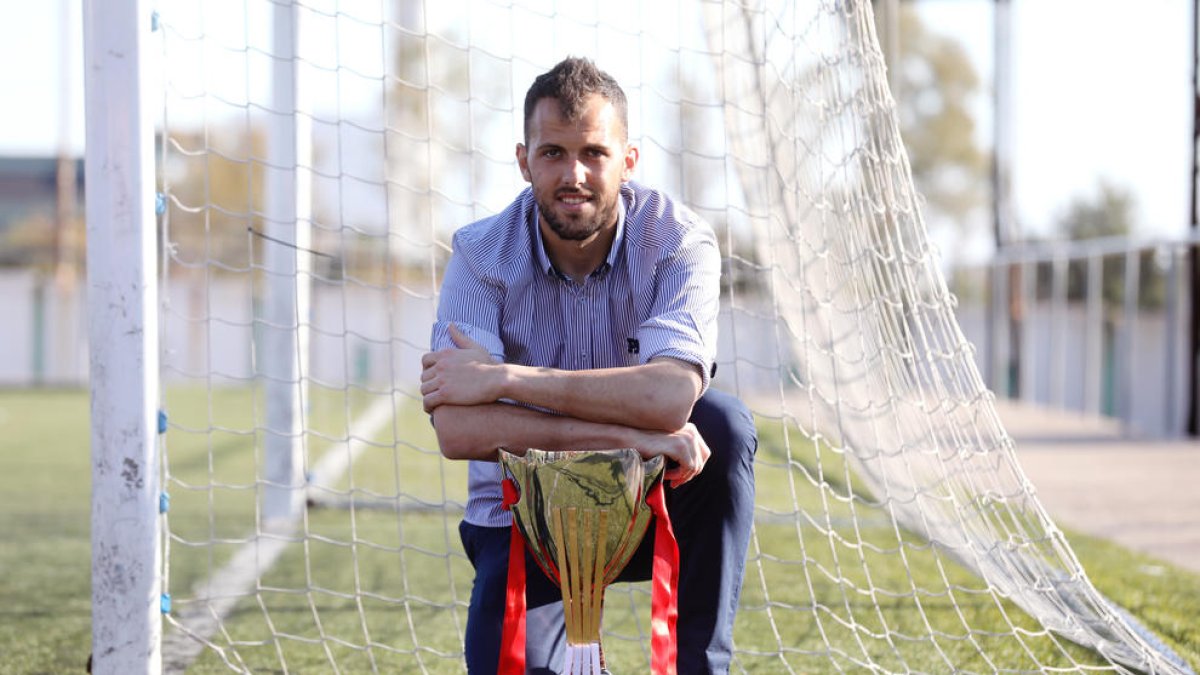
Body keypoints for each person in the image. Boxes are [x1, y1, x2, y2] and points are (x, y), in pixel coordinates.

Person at [420, 56, 756, 674]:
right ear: (524, 160)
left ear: (628, 161)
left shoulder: (678, 242)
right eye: (552, 153)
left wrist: (504, 380)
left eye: (594, 153)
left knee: (723, 426)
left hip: (653, 502)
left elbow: (672, 400)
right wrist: (629, 435)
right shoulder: (478, 254)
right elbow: (457, 432)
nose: (573, 175)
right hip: (525, 516)